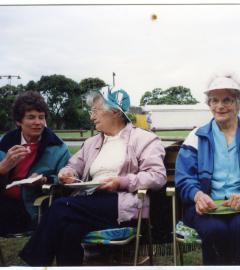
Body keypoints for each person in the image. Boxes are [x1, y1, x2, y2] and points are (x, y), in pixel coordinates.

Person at [20, 86, 166, 266]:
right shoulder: (92, 142)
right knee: (69, 230)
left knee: (59, 207)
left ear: (114, 112)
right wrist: (68, 172)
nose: (91, 117)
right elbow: (73, 165)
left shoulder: (144, 139)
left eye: (95, 111)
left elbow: (157, 176)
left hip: (122, 203)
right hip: (89, 202)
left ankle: (33, 263)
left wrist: (120, 181)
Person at [175, 74, 240, 265]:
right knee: (213, 229)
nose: (220, 106)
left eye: (227, 100)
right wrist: (197, 195)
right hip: (207, 206)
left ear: (238, 103)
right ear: (208, 104)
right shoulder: (196, 136)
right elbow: (184, 177)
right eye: (214, 100)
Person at [0, 91, 70, 234]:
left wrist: (45, 179)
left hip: (31, 207)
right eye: (31, 117)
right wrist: (2, 168)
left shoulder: (58, 147)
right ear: (19, 121)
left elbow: (67, 178)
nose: (38, 122)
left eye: (41, 117)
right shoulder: (5, 143)